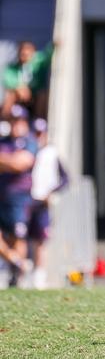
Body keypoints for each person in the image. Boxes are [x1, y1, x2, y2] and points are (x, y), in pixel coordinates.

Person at [28, 118, 68, 289]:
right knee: (20, 236)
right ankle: (20, 271)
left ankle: (39, 275)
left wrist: (51, 192)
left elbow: (65, 178)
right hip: (26, 199)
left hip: (42, 201)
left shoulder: (52, 153)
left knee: (40, 240)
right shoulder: (27, 149)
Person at [0, 105, 38, 286]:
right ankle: (17, 262)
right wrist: (11, 160)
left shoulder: (29, 142)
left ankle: (17, 277)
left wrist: (7, 161)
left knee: (18, 236)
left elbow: (21, 164)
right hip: (2, 195)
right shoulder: (4, 142)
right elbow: (14, 162)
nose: (15, 126)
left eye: (19, 121)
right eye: (12, 121)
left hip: (19, 198)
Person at [2, 41, 52, 119]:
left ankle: (39, 121)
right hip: (19, 95)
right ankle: (5, 119)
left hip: (35, 95)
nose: (25, 55)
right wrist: (19, 87)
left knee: (42, 95)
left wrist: (54, 44)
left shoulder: (40, 63)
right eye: (22, 53)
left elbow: (49, 54)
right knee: (9, 94)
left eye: (28, 53)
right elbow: (8, 79)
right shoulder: (12, 68)